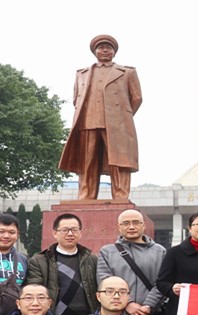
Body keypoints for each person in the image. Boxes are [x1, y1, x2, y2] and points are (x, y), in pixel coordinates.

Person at [59, 34, 142, 200]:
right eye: (101, 48)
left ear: (114, 52)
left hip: (117, 123)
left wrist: (122, 116)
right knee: (87, 160)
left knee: (119, 160)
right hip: (88, 121)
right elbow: (76, 99)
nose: (105, 50)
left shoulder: (127, 72)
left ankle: (120, 195)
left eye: (108, 48)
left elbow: (136, 98)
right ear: (95, 52)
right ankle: (86, 194)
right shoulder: (82, 74)